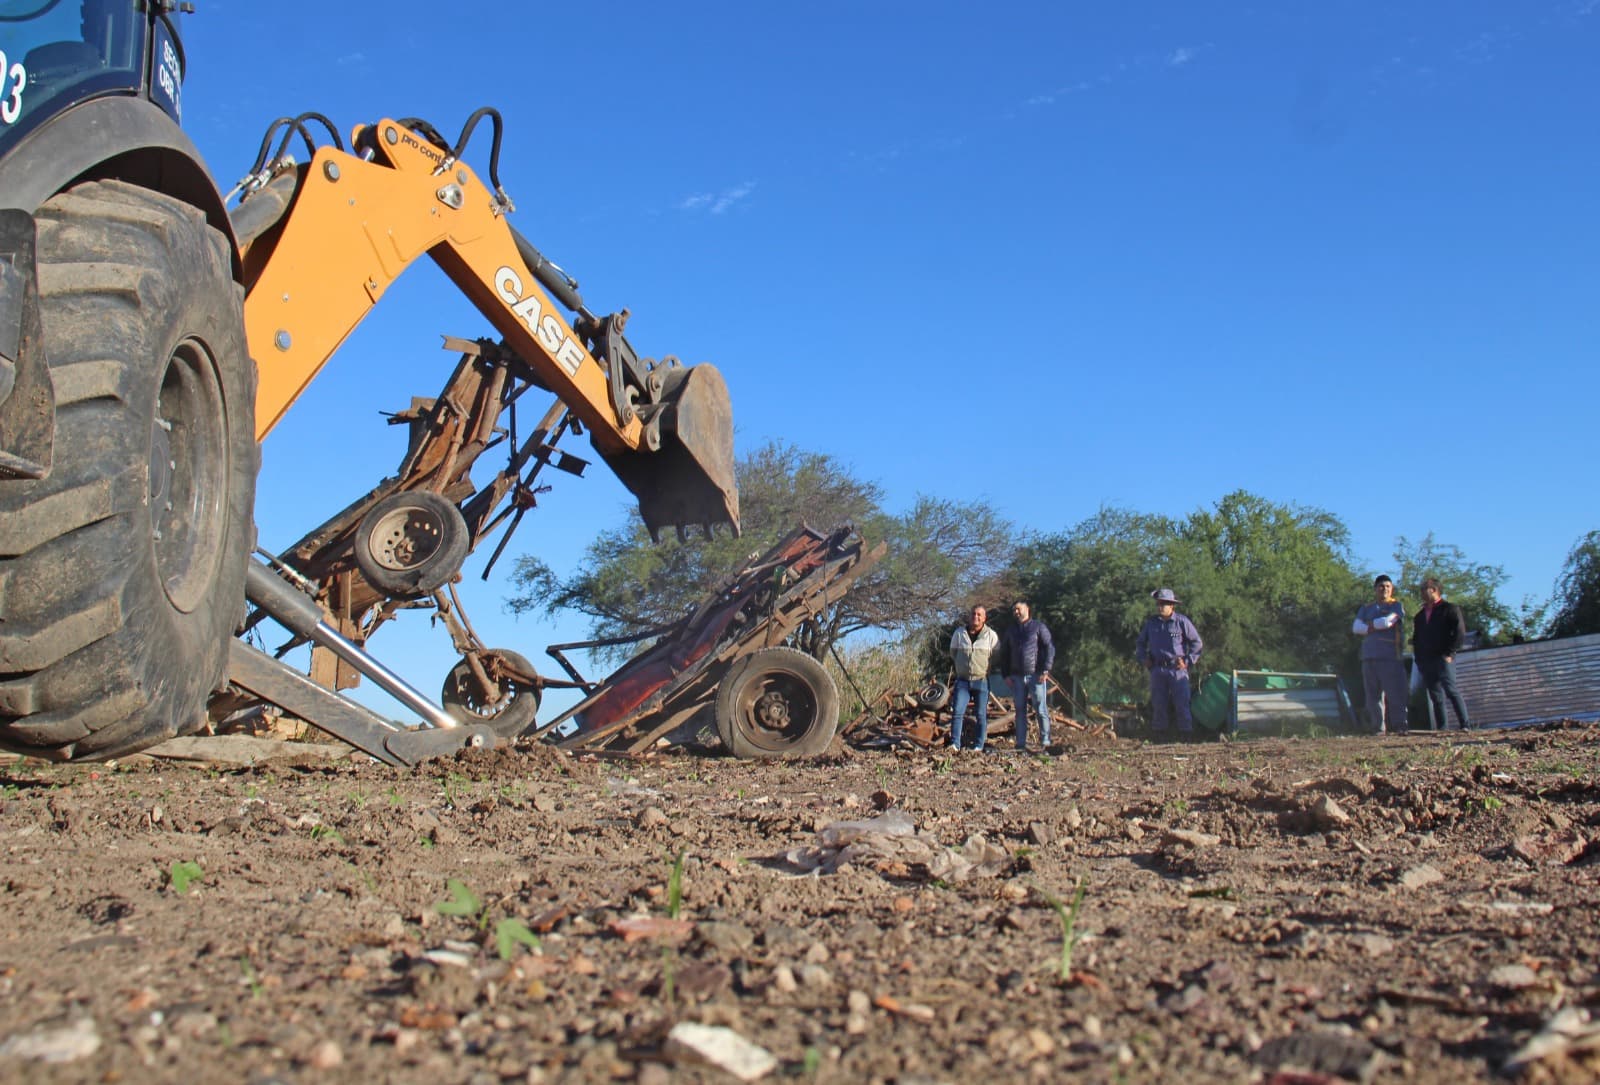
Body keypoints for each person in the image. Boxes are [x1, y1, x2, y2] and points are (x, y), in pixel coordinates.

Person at [1136, 588, 1203, 738]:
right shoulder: (1151, 623)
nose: (1161, 607)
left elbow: (1197, 643)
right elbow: (1140, 643)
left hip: (1177, 670)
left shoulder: (1182, 622)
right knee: (1159, 704)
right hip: (1157, 669)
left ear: (1172, 605)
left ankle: (1186, 737)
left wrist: (1187, 661)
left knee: (1182, 704)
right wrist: (1144, 658)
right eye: (1159, 603)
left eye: (1164, 604)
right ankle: (1160, 738)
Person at [1411, 577, 1472, 730]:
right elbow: (1416, 638)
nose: (1421, 593)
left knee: (1451, 690)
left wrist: (1450, 652)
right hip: (1427, 660)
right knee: (1435, 695)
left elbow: (1459, 631)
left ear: (1434, 590)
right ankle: (1442, 728)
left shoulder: (1449, 609)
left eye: (1424, 589)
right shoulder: (1420, 616)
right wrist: (1419, 659)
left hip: (1443, 656)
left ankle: (1465, 724)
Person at [1352, 574, 1407, 734]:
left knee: (1395, 693)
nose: (1385, 589)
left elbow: (1387, 622)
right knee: (1372, 696)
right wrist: (1374, 625)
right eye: (1381, 586)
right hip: (1368, 656)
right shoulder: (1366, 608)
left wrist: (1368, 626)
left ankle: (1400, 725)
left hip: (1389, 656)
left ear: (1392, 589)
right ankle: (1378, 727)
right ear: (1375, 589)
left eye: (1388, 586)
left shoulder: (1396, 605)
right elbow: (1356, 628)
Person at [1000, 601, 1054, 753]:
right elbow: (1004, 654)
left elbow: (1049, 647)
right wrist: (1005, 674)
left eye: (1019, 609)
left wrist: (1045, 669)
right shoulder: (1011, 631)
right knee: (1020, 711)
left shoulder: (1038, 627)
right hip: (1016, 677)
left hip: (1036, 675)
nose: (1016, 612)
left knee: (1040, 708)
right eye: (1014, 610)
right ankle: (1021, 743)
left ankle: (1045, 741)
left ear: (1027, 609)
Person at [947, 605, 999, 751]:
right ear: (969, 616)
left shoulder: (991, 635)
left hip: (981, 681)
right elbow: (953, 653)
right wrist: (962, 666)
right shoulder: (959, 633)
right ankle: (955, 744)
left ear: (984, 618)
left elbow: (996, 656)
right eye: (973, 614)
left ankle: (978, 745)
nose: (975, 617)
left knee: (981, 714)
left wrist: (984, 668)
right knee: (958, 712)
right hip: (962, 681)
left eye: (979, 615)